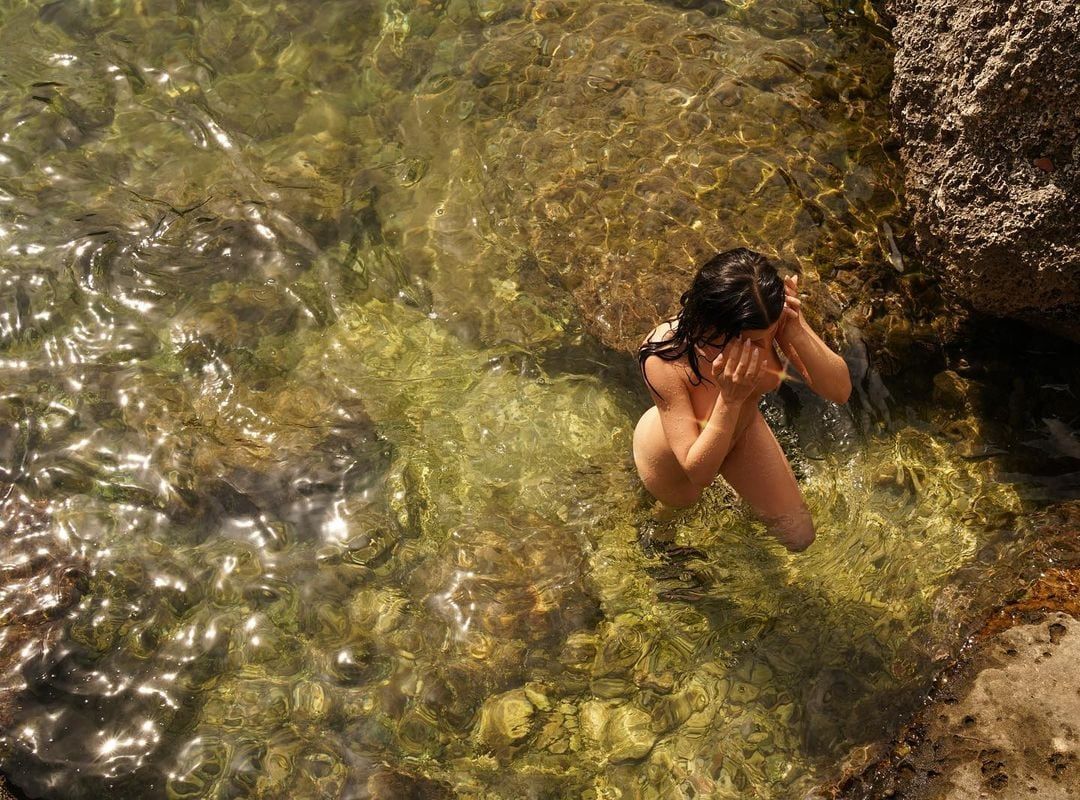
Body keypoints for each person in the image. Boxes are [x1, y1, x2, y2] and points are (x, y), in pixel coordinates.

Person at [632, 248, 852, 552]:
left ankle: (735, 491)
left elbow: (840, 392)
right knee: (675, 512)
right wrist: (730, 399)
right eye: (753, 340)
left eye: (768, 334)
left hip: (741, 427)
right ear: (710, 326)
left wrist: (794, 327)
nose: (765, 346)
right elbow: (699, 473)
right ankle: (659, 524)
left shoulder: (764, 318)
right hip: (677, 455)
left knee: (799, 537)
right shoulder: (666, 356)